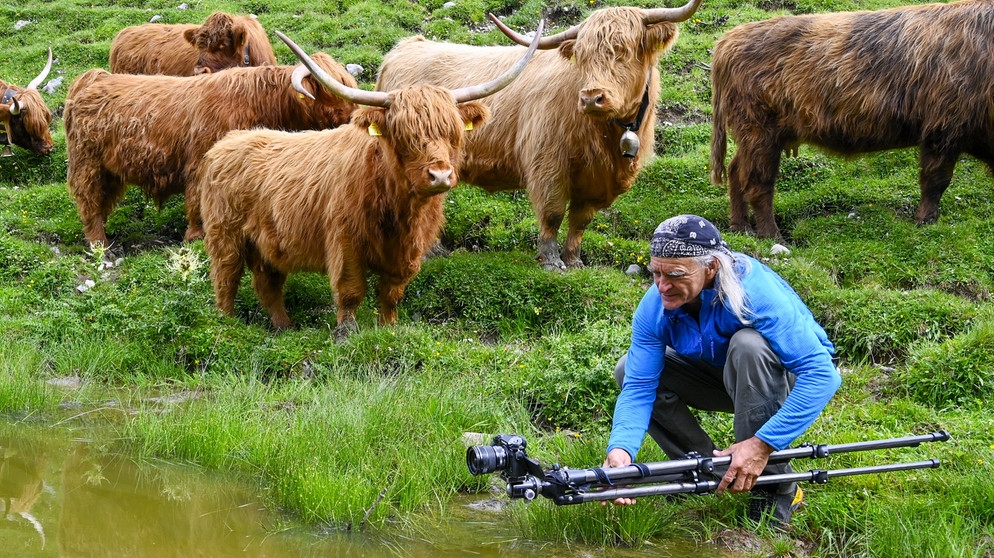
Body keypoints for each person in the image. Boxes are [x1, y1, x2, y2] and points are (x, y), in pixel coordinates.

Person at [603, 214, 841, 525]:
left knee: (748, 345)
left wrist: (761, 444)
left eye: (674, 275)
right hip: (722, 377)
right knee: (625, 369)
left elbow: (822, 374)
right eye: (656, 273)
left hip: (783, 378)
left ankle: (776, 488)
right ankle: (704, 468)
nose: (662, 286)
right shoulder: (655, 305)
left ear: (711, 267)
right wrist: (621, 450)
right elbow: (638, 385)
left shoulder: (755, 292)